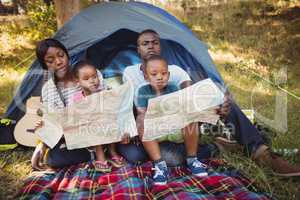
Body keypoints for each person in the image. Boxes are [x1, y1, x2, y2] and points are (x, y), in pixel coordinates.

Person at [121, 29, 300, 177]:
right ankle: (218, 146)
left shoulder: (174, 71)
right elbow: (129, 107)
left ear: (161, 47)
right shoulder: (130, 72)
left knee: (222, 99)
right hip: (152, 133)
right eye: (145, 43)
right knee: (138, 155)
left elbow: (190, 95)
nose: (151, 46)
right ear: (138, 49)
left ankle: (261, 151)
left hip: (181, 126)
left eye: (155, 42)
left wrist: (215, 105)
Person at [136, 55, 208, 185]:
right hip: (155, 130)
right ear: (146, 77)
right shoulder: (142, 91)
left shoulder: (173, 88)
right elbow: (142, 112)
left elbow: (179, 108)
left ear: (168, 75)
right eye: (154, 74)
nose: (159, 77)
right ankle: (159, 165)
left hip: (173, 127)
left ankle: (192, 159)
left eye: (163, 74)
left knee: (189, 116)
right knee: (141, 120)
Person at [71, 60, 125, 172]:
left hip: (107, 126)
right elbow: (77, 116)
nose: (92, 81)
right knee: (94, 124)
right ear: (78, 81)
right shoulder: (77, 98)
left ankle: (112, 151)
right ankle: (100, 155)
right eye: (86, 79)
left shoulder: (103, 92)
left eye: (94, 77)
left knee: (111, 120)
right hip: (90, 131)